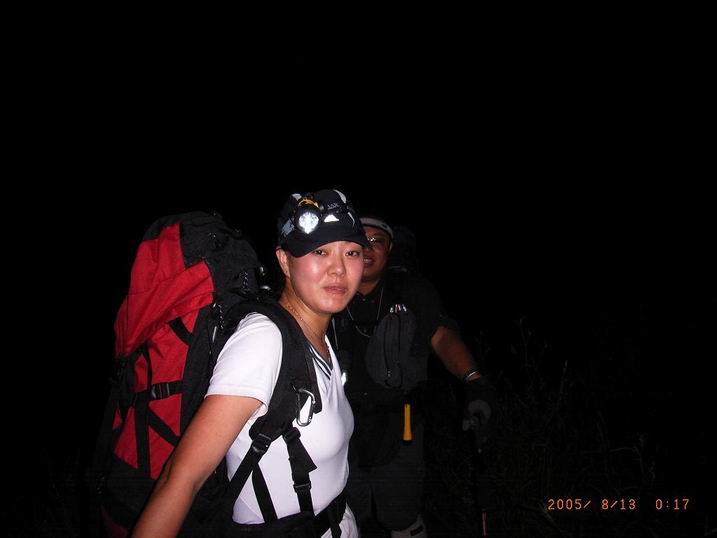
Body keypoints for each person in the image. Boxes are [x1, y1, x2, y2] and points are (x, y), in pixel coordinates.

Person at [131, 189, 369, 537]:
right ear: (284, 261)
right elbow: (182, 478)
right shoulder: (263, 341)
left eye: (351, 252)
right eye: (319, 251)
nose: (338, 268)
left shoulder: (319, 334)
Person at [329, 216, 495, 537]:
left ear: (390, 250)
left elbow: (441, 335)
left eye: (377, 241)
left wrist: (474, 381)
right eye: (360, 240)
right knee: (344, 513)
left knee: (400, 514)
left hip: (401, 423)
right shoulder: (327, 291)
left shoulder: (411, 291)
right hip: (340, 427)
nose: (367, 248)